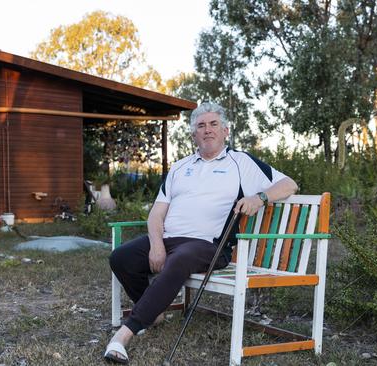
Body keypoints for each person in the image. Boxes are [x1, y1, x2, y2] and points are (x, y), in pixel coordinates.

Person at [103, 102, 298, 364]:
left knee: (180, 259)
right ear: (194, 133)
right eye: (201, 126)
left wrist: (260, 197)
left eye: (213, 124)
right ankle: (154, 312)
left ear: (226, 130)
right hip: (171, 240)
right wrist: (156, 243)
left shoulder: (241, 162)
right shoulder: (180, 167)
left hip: (210, 246)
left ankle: (124, 335)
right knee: (121, 257)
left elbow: (289, 184)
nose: (207, 130)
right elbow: (156, 213)